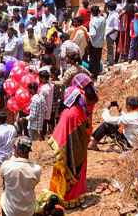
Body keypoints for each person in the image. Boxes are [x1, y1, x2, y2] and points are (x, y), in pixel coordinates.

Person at [48, 74, 92, 207]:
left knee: (65, 173)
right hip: (80, 150)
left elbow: (59, 137)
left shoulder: (68, 113)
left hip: (67, 152)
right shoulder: (81, 110)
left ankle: (66, 199)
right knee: (78, 172)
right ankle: (77, 198)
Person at [0, 137, 42, 216]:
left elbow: (4, 183)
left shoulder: (6, 165)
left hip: (9, 211)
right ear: (29, 151)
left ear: (16, 149)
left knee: (3, 197)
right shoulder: (36, 169)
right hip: (28, 211)